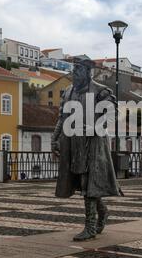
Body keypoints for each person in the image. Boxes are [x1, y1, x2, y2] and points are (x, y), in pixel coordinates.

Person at [51, 58, 121, 241]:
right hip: (74, 142)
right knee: (82, 182)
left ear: (88, 72)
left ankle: (90, 226)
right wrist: (54, 138)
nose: (75, 74)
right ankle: (103, 211)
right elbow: (62, 117)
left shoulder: (100, 91)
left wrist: (95, 127)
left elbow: (112, 113)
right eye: (74, 70)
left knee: (88, 182)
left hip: (94, 143)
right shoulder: (68, 92)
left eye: (78, 70)